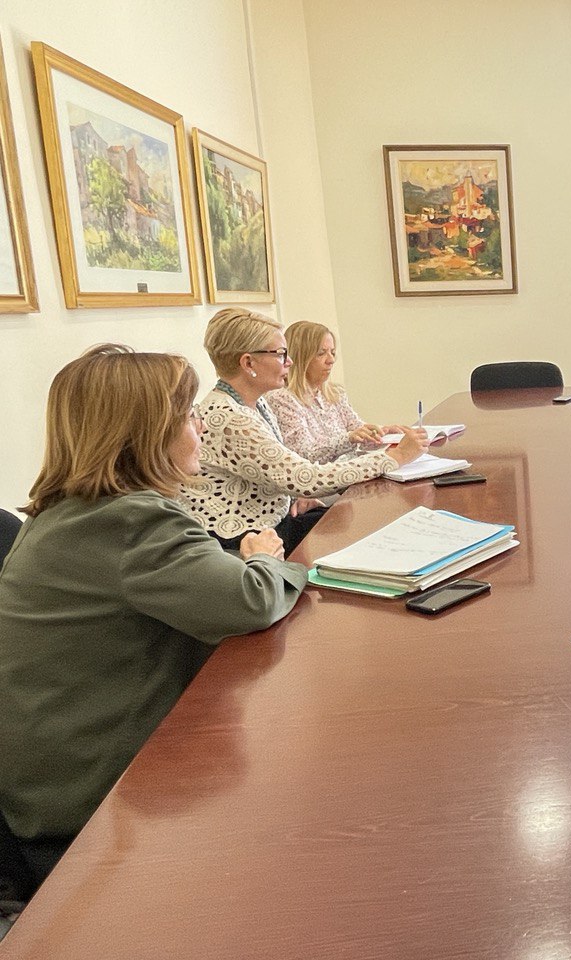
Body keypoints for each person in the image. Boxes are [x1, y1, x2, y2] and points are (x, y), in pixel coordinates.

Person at [0, 345, 308, 873]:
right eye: (188, 416)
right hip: (97, 804)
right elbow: (250, 600)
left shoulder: (69, 512)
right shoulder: (128, 522)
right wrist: (266, 560)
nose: (201, 428)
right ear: (145, 433)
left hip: (55, 774)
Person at [183, 308, 427, 554]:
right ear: (248, 363)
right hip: (248, 541)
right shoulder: (229, 417)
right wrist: (394, 457)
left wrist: (292, 497)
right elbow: (306, 478)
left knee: (368, 521)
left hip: (275, 521)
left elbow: (275, 472)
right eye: (280, 354)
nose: (289, 361)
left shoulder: (253, 403)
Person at [265, 321, 414, 463]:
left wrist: (383, 432)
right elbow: (303, 455)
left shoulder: (334, 393)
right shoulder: (281, 398)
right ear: (300, 358)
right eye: (321, 353)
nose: (331, 360)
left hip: (352, 474)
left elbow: (357, 429)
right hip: (325, 484)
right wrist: (349, 439)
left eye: (332, 352)